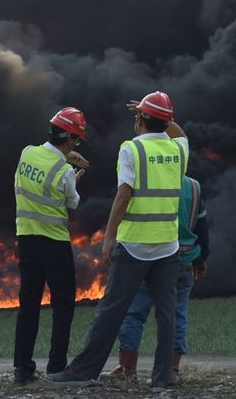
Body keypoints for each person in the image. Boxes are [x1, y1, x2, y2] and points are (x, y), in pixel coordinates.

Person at [47, 91, 188, 390]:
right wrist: (159, 114)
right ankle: (162, 378)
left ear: (140, 120)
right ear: (164, 121)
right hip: (167, 246)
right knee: (166, 314)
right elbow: (180, 133)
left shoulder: (131, 150)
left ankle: (83, 372)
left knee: (111, 311)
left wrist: (109, 237)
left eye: (138, 117)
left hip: (135, 246)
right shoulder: (178, 150)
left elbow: (124, 194)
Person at [13, 107, 90, 385]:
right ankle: (56, 368)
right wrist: (75, 178)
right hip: (54, 244)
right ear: (69, 138)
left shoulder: (27, 153)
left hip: (26, 240)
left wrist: (65, 155)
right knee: (63, 306)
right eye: (76, 140)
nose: (76, 145)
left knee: (29, 305)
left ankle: (22, 369)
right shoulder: (65, 172)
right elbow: (72, 204)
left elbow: (45, 159)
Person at [108, 175, 210, 383]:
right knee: (177, 314)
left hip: (150, 257)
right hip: (185, 259)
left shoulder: (151, 180)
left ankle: (127, 370)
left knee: (134, 313)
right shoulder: (194, 186)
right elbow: (202, 226)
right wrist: (201, 258)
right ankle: (171, 370)